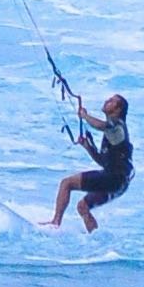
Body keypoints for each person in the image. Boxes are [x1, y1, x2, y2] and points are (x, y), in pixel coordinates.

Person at [49, 93, 133, 231]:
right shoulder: (111, 132)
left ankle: (55, 223)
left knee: (67, 183)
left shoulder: (117, 128)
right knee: (83, 206)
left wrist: (85, 116)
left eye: (112, 101)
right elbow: (102, 161)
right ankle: (94, 236)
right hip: (117, 182)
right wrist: (88, 146)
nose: (107, 100)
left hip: (115, 179)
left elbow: (101, 125)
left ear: (118, 110)